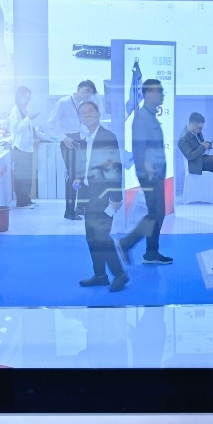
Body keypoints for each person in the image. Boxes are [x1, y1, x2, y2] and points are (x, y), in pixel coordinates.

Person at [74, 100, 128, 292]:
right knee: (91, 237)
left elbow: (114, 167)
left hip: (104, 195)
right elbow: (87, 164)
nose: (87, 114)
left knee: (102, 237)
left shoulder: (107, 136)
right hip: (89, 195)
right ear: (80, 118)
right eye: (83, 112)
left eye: (90, 111)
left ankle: (120, 274)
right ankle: (100, 275)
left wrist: (115, 197)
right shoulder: (86, 139)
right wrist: (80, 178)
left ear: (98, 113)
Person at [118, 79, 172, 265]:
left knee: (157, 213)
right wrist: (147, 167)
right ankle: (127, 243)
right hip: (150, 173)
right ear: (148, 94)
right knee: (155, 214)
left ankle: (151, 252)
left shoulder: (150, 116)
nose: (162, 94)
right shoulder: (142, 117)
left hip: (155, 172)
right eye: (159, 91)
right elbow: (139, 147)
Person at [46, 79, 99, 220]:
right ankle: (69, 212)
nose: (88, 95)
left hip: (82, 140)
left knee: (83, 175)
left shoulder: (85, 105)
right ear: (79, 88)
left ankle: (79, 208)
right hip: (68, 141)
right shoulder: (63, 102)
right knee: (73, 177)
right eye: (86, 90)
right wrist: (63, 138)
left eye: (91, 93)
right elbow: (50, 124)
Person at [7, 85, 39, 208]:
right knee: (21, 176)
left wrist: (30, 119)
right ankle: (21, 201)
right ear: (19, 97)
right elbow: (15, 128)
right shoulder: (14, 111)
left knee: (28, 175)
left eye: (29, 98)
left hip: (27, 146)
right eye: (25, 98)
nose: (27, 101)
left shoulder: (25, 109)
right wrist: (27, 119)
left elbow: (27, 127)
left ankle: (26, 198)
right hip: (19, 147)